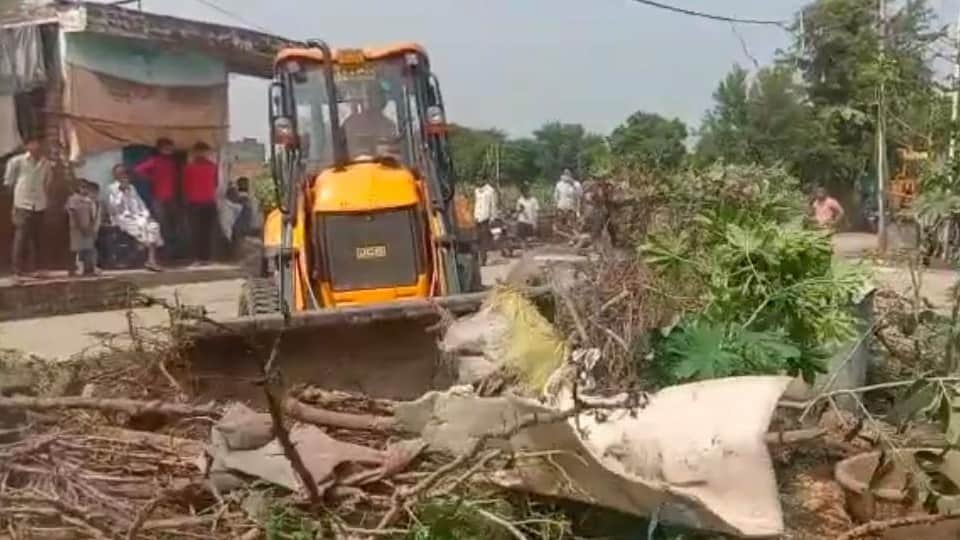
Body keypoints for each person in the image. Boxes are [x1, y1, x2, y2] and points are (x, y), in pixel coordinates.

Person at [3, 135, 51, 282]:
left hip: (39, 203)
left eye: (39, 144)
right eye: (34, 144)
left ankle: (37, 268)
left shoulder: (46, 163)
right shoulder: (17, 162)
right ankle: (17, 270)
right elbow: (9, 183)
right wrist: (15, 202)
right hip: (22, 203)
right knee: (21, 237)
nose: (37, 147)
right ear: (27, 146)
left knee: (38, 238)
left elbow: (47, 182)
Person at [106, 164, 162, 271]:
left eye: (125, 173)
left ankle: (151, 260)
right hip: (121, 218)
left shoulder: (132, 188)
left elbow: (141, 204)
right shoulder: (111, 188)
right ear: (115, 175)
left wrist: (147, 215)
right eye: (120, 174)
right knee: (142, 232)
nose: (123, 176)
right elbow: (113, 208)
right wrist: (121, 192)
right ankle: (141, 255)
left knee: (153, 226)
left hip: (137, 217)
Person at [134, 138, 178, 253]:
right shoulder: (155, 160)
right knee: (160, 225)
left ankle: (171, 250)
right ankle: (161, 251)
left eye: (170, 149)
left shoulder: (172, 163)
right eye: (166, 149)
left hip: (171, 197)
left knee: (172, 224)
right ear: (159, 149)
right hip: (159, 198)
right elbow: (138, 170)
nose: (169, 151)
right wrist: (151, 179)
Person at [182, 142, 218, 263]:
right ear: (195, 152)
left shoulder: (213, 166)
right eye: (200, 151)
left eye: (204, 151)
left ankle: (206, 257)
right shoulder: (189, 167)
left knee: (207, 231)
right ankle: (197, 257)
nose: (202, 154)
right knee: (195, 232)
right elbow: (185, 185)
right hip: (194, 203)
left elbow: (216, 183)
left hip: (209, 202)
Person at [342, 86, 397, 157]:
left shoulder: (389, 124)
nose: (381, 99)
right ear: (368, 99)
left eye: (382, 96)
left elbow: (394, 150)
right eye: (376, 96)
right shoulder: (351, 123)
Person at [65, 179, 101, 276]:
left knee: (88, 248)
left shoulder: (88, 201)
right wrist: (80, 227)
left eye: (86, 187)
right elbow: (73, 214)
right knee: (77, 250)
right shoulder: (73, 199)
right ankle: (75, 269)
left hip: (87, 227)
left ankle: (89, 268)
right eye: (82, 187)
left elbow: (91, 215)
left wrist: (90, 227)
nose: (84, 189)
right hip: (76, 229)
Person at [473, 180, 498, 265]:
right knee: (476, 239)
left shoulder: (490, 191)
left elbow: (493, 205)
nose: (478, 180)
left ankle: (483, 260)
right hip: (477, 217)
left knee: (484, 240)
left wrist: (493, 218)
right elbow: (476, 203)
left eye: (480, 178)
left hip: (485, 218)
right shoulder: (476, 190)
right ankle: (477, 259)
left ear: (484, 179)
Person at [553, 169, 582, 235]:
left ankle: (574, 237)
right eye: (565, 174)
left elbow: (580, 195)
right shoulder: (559, 184)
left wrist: (573, 184)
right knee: (562, 223)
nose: (566, 175)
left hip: (572, 207)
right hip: (561, 206)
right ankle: (565, 237)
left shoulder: (576, 184)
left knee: (572, 224)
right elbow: (556, 196)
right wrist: (556, 206)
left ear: (571, 175)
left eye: (568, 173)